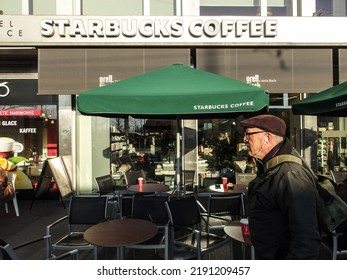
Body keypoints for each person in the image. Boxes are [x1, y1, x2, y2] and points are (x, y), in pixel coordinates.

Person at [240, 114, 321, 259]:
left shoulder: (290, 174)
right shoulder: (271, 167)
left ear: (268, 138)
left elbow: (306, 238)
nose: (244, 139)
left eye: (248, 134)